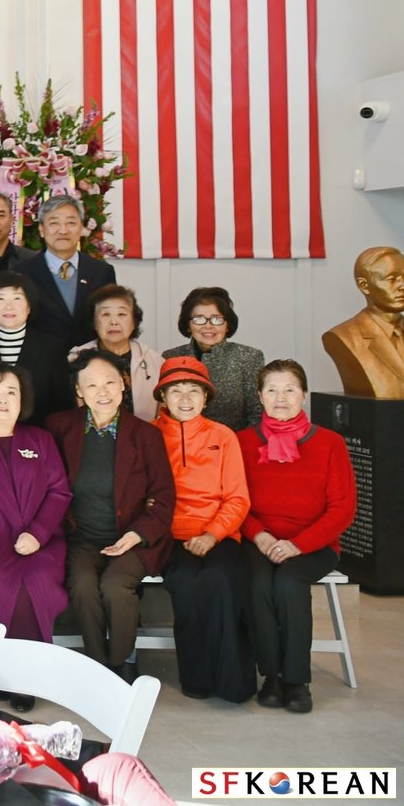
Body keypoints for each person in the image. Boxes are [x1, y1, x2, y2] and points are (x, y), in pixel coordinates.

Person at [236, 359, 358, 715]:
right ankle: (271, 677)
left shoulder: (330, 443)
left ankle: (297, 680)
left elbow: (342, 509)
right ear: (260, 397)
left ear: (304, 395)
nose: (281, 398)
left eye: (290, 389)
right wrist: (258, 535)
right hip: (258, 541)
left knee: (289, 584)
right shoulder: (242, 442)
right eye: (272, 390)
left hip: (314, 544)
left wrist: (297, 544)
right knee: (258, 584)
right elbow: (234, 499)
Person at [45, 350, 174, 680]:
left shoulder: (146, 435)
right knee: (83, 585)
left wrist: (136, 535)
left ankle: (121, 661)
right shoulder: (60, 428)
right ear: (79, 390)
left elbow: (163, 497)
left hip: (131, 537)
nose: (102, 392)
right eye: (91, 385)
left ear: (123, 384)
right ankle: (97, 665)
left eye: (110, 383)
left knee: (116, 586)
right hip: (80, 537)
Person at [0, 364, 70, 710]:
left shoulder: (40, 439)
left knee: (34, 584)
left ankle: (24, 678)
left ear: (23, 401)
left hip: (40, 543)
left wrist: (38, 534)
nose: (3, 399)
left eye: (12, 392)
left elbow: (59, 491)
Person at [151, 356, 256, 703]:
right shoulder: (148, 435)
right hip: (168, 536)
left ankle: (233, 683)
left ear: (206, 397)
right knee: (186, 582)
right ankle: (196, 678)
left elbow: (238, 498)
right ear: (162, 397)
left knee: (221, 581)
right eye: (176, 390)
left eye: (193, 390)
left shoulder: (223, 436)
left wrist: (212, 533)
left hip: (219, 534)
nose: (185, 399)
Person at [0, 272, 70, 425]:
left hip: (38, 429)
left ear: (29, 306)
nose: (9, 306)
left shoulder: (51, 347)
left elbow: (62, 401)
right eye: (0, 298)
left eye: (17, 298)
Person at [17, 195, 115, 351]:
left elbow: (110, 319)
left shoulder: (102, 272)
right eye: (54, 223)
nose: (63, 230)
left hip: (91, 360)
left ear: (81, 228)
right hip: (40, 360)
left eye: (71, 223)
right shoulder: (22, 274)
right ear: (41, 229)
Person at [164, 287, 265, 431]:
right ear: (188, 325)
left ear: (227, 325)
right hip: (180, 442)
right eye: (199, 319)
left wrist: (232, 442)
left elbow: (257, 415)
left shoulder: (248, 357)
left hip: (234, 442)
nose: (208, 326)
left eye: (217, 319)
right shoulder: (170, 357)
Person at [70, 284, 162, 420]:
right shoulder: (75, 359)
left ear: (134, 322)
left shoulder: (155, 361)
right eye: (105, 314)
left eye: (122, 314)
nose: (114, 322)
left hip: (145, 431)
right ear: (94, 322)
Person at [321, 246, 404, 397]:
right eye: (391, 279)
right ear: (364, 286)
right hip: (379, 412)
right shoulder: (344, 336)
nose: (402, 286)